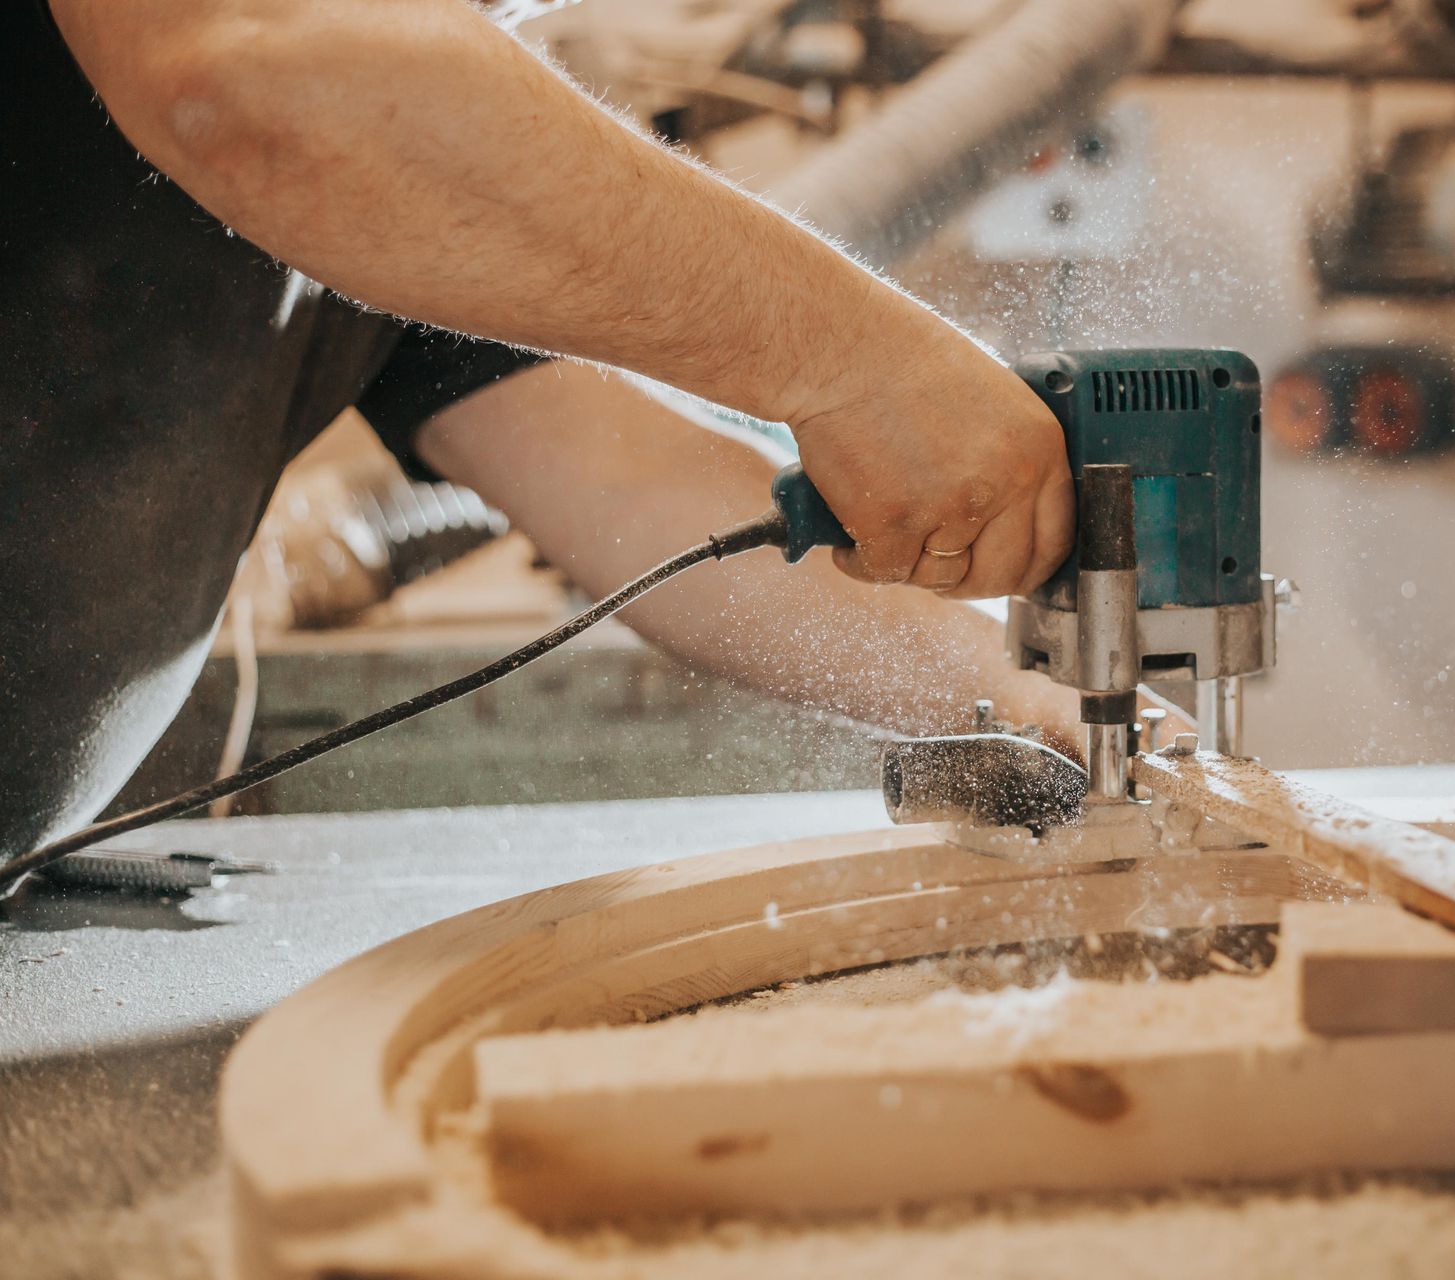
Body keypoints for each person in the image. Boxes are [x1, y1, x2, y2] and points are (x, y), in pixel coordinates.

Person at [2, 0, 1089, 858]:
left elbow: (637, 486)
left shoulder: (378, 188)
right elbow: (240, 64)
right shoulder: (295, 76)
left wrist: (1040, 697)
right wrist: (857, 358)